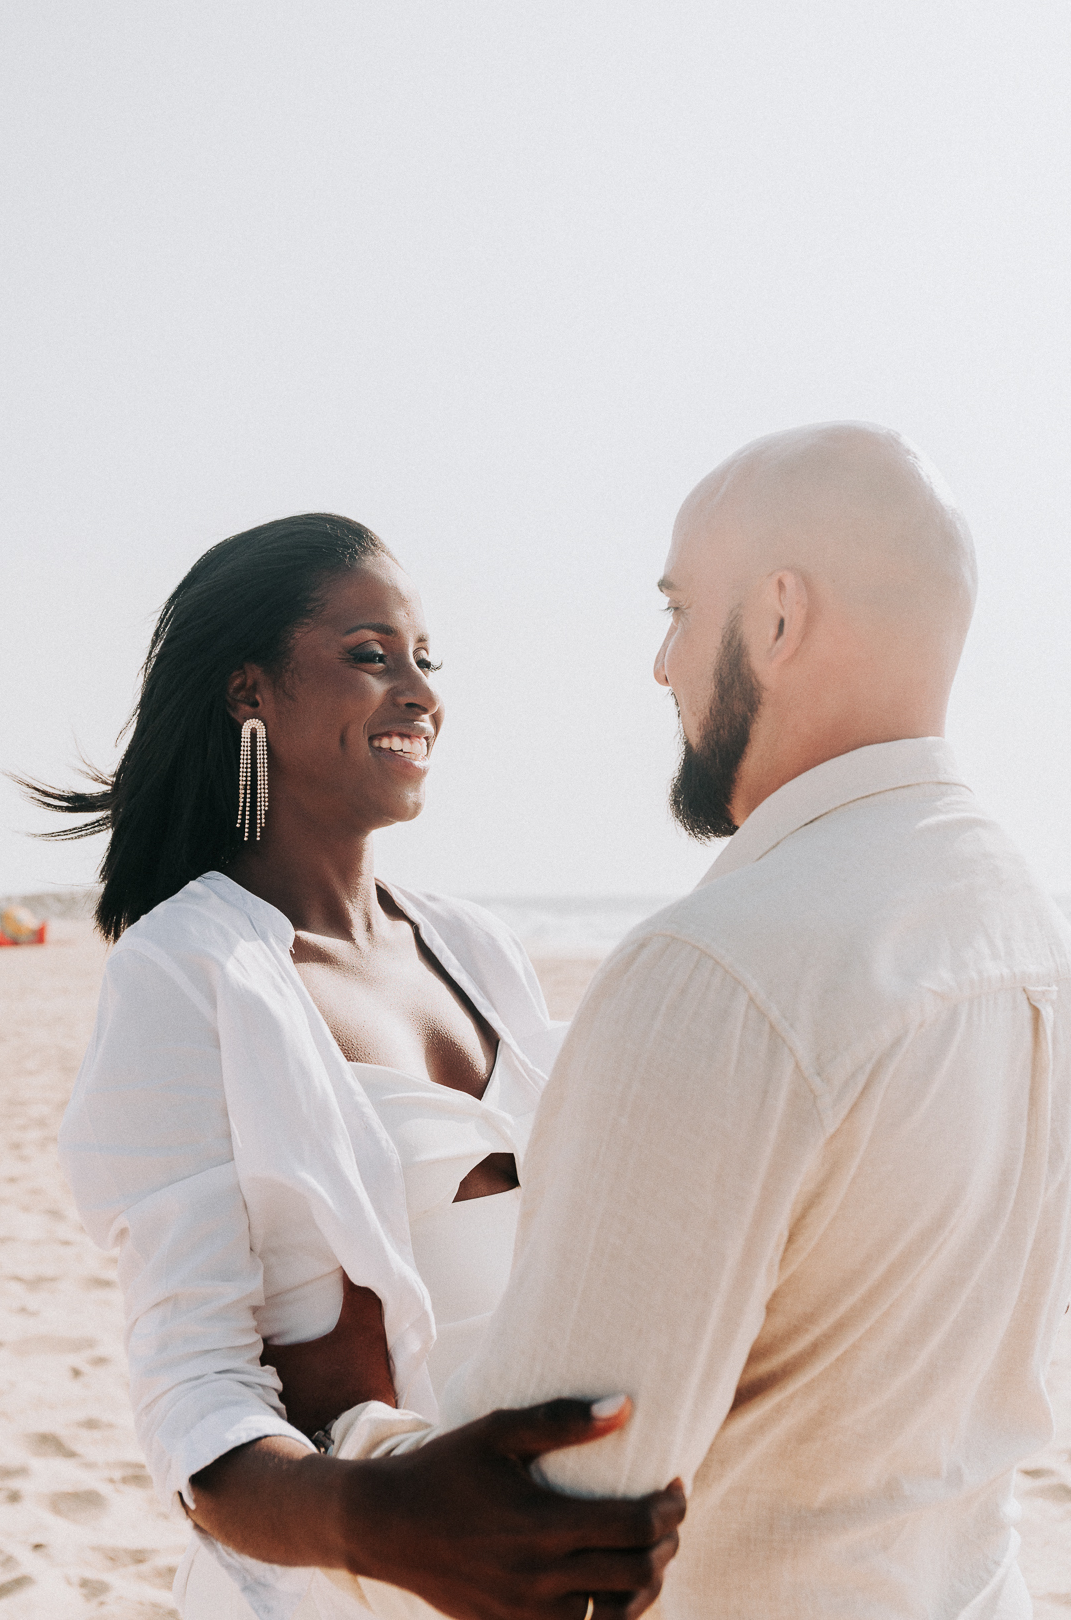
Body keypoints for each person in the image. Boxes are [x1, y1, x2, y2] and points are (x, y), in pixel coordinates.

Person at [349, 422, 1069, 1618]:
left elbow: (551, 1514)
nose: (662, 664)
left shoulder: (720, 970)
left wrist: (336, 1451)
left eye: (679, 610)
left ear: (778, 620)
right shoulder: (1029, 933)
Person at [34, 515, 684, 1619]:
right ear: (251, 693)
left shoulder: (474, 945)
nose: (420, 690)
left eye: (427, 660)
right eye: (372, 654)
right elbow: (194, 1397)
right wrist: (385, 1522)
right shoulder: (186, 969)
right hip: (347, 1588)